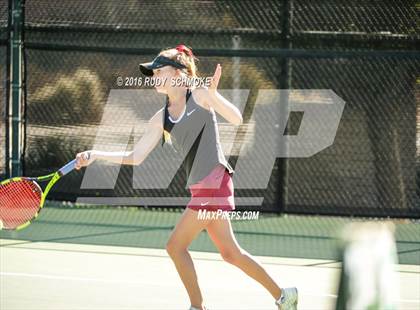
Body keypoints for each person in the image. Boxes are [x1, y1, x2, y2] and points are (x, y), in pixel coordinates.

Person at [74, 44, 298, 310]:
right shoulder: (161, 118)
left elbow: (237, 119)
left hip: (214, 184)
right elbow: (136, 155)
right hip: (202, 188)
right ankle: (285, 295)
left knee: (175, 246)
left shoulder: (201, 94)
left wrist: (215, 97)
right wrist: (96, 153)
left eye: (159, 71)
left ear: (179, 72)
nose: (154, 77)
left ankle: (197, 307)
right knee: (230, 253)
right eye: (153, 73)